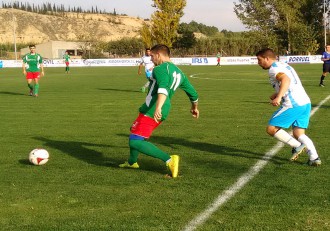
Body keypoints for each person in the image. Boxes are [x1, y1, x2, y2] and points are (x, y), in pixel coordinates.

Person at [119, 44, 199, 177]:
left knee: (135, 140)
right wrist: (194, 107)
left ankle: (169, 160)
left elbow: (163, 88)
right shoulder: (179, 72)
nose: (151, 59)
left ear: (159, 55)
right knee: (135, 132)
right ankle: (132, 162)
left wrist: (158, 107)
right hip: (157, 108)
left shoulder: (160, 68)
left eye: (152, 56)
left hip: (153, 109)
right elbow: (193, 93)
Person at [256, 48, 321, 166]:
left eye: (259, 60)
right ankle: (314, 158)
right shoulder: (284, 65)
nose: (258, 63)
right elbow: (291, 83)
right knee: (299, 134)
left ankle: (297, 146)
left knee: (271, 129)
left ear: (267, 58)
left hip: (293, 104)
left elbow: (286, 79)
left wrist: (279, 97)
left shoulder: (273, 69)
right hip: (305, 102)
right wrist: (277, 93)